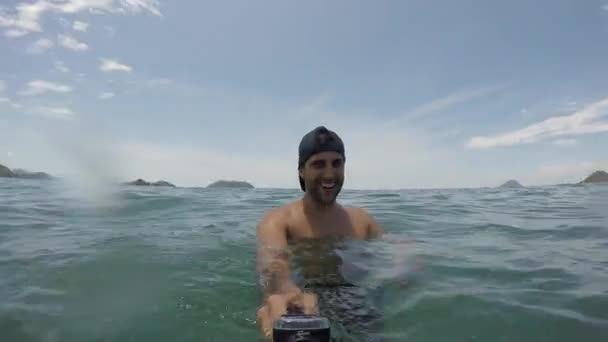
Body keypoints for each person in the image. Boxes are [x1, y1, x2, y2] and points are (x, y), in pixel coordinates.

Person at [255, 126, 383, 340]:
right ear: (301, 171)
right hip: (304, 302)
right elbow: (273, 264)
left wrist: (404, 256)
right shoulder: (278, 221)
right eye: (318, 164)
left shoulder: (363, 221)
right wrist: (286, 289)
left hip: (355, 303)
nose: (329, 174)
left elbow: (392, 245)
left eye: (337, 163)